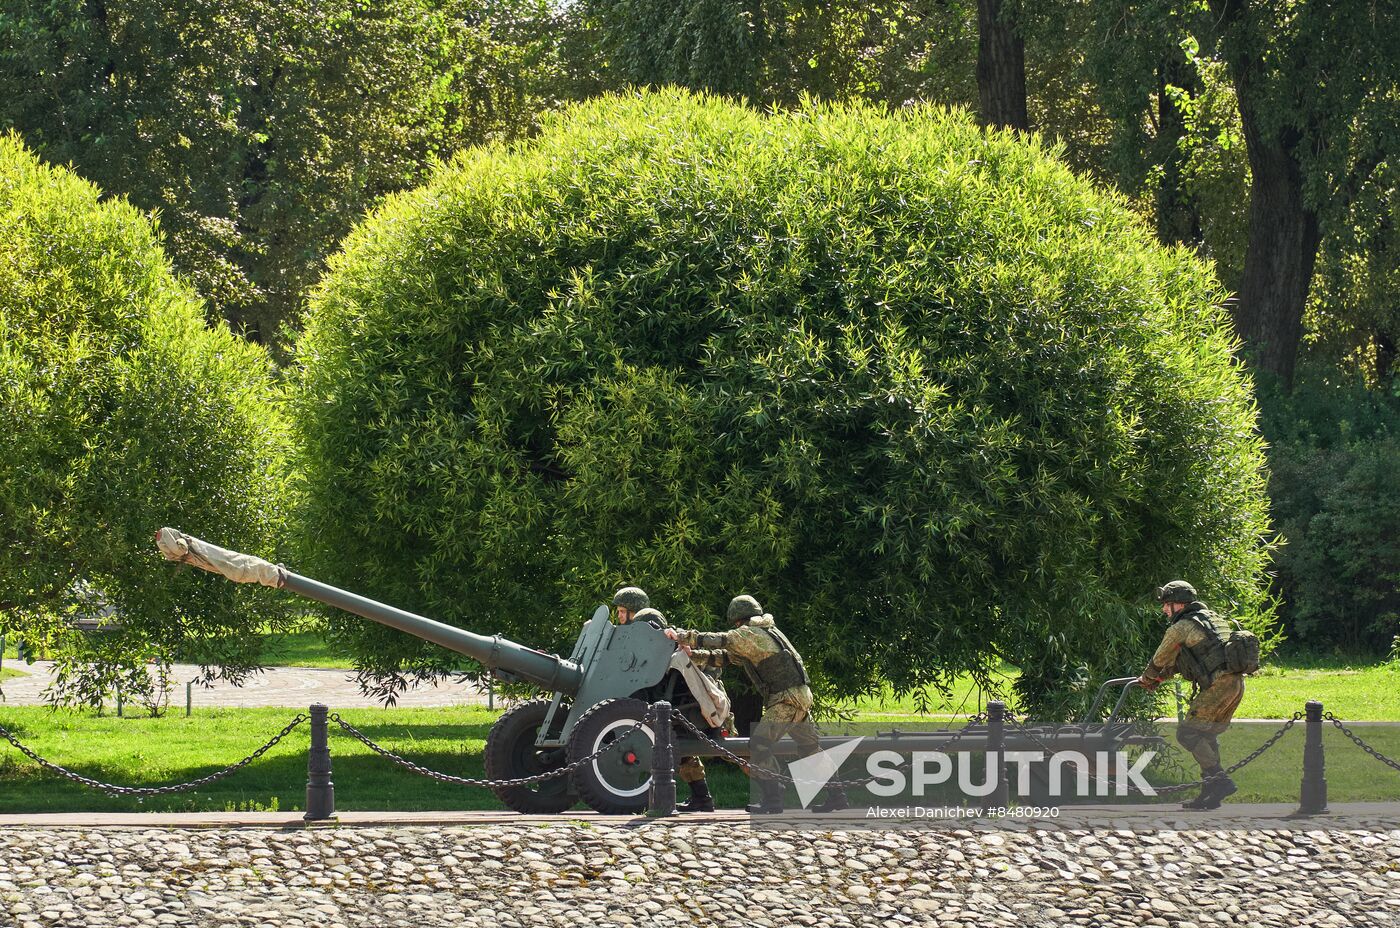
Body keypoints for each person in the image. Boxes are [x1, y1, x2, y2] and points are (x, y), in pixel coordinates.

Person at [666, 595, 847, 814]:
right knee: (810, 749)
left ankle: (773, 797)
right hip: (800, 696)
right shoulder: (766, 632)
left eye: (735, 624)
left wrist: (683, 636)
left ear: (738, 619)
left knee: (759, 745)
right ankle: (838, 797)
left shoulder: (750, 633)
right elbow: (725, 657)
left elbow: (722, 640)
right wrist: (694, 655)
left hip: (786, 699)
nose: (735, 628)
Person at [1137, 580, 1246, 810]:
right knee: (1205, 737)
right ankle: (1209, 796)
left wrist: (1147, 679)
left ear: (1180, 604)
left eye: (1167, 604)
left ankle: (1221, 781)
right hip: (1234, 684)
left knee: (1187, 733)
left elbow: (1160, 658)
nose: (1164, 609)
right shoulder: (1211, 619)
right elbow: (1196, 660)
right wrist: (1163, 676)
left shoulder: (1182, 626)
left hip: (1219, 686)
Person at [629, 606, 726, 813]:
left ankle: (774, 794)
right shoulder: (659, 653)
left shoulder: (678, 648)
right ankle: (702, 798)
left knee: (741, 754)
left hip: (704, 713)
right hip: (682, 717)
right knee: (684, 754)